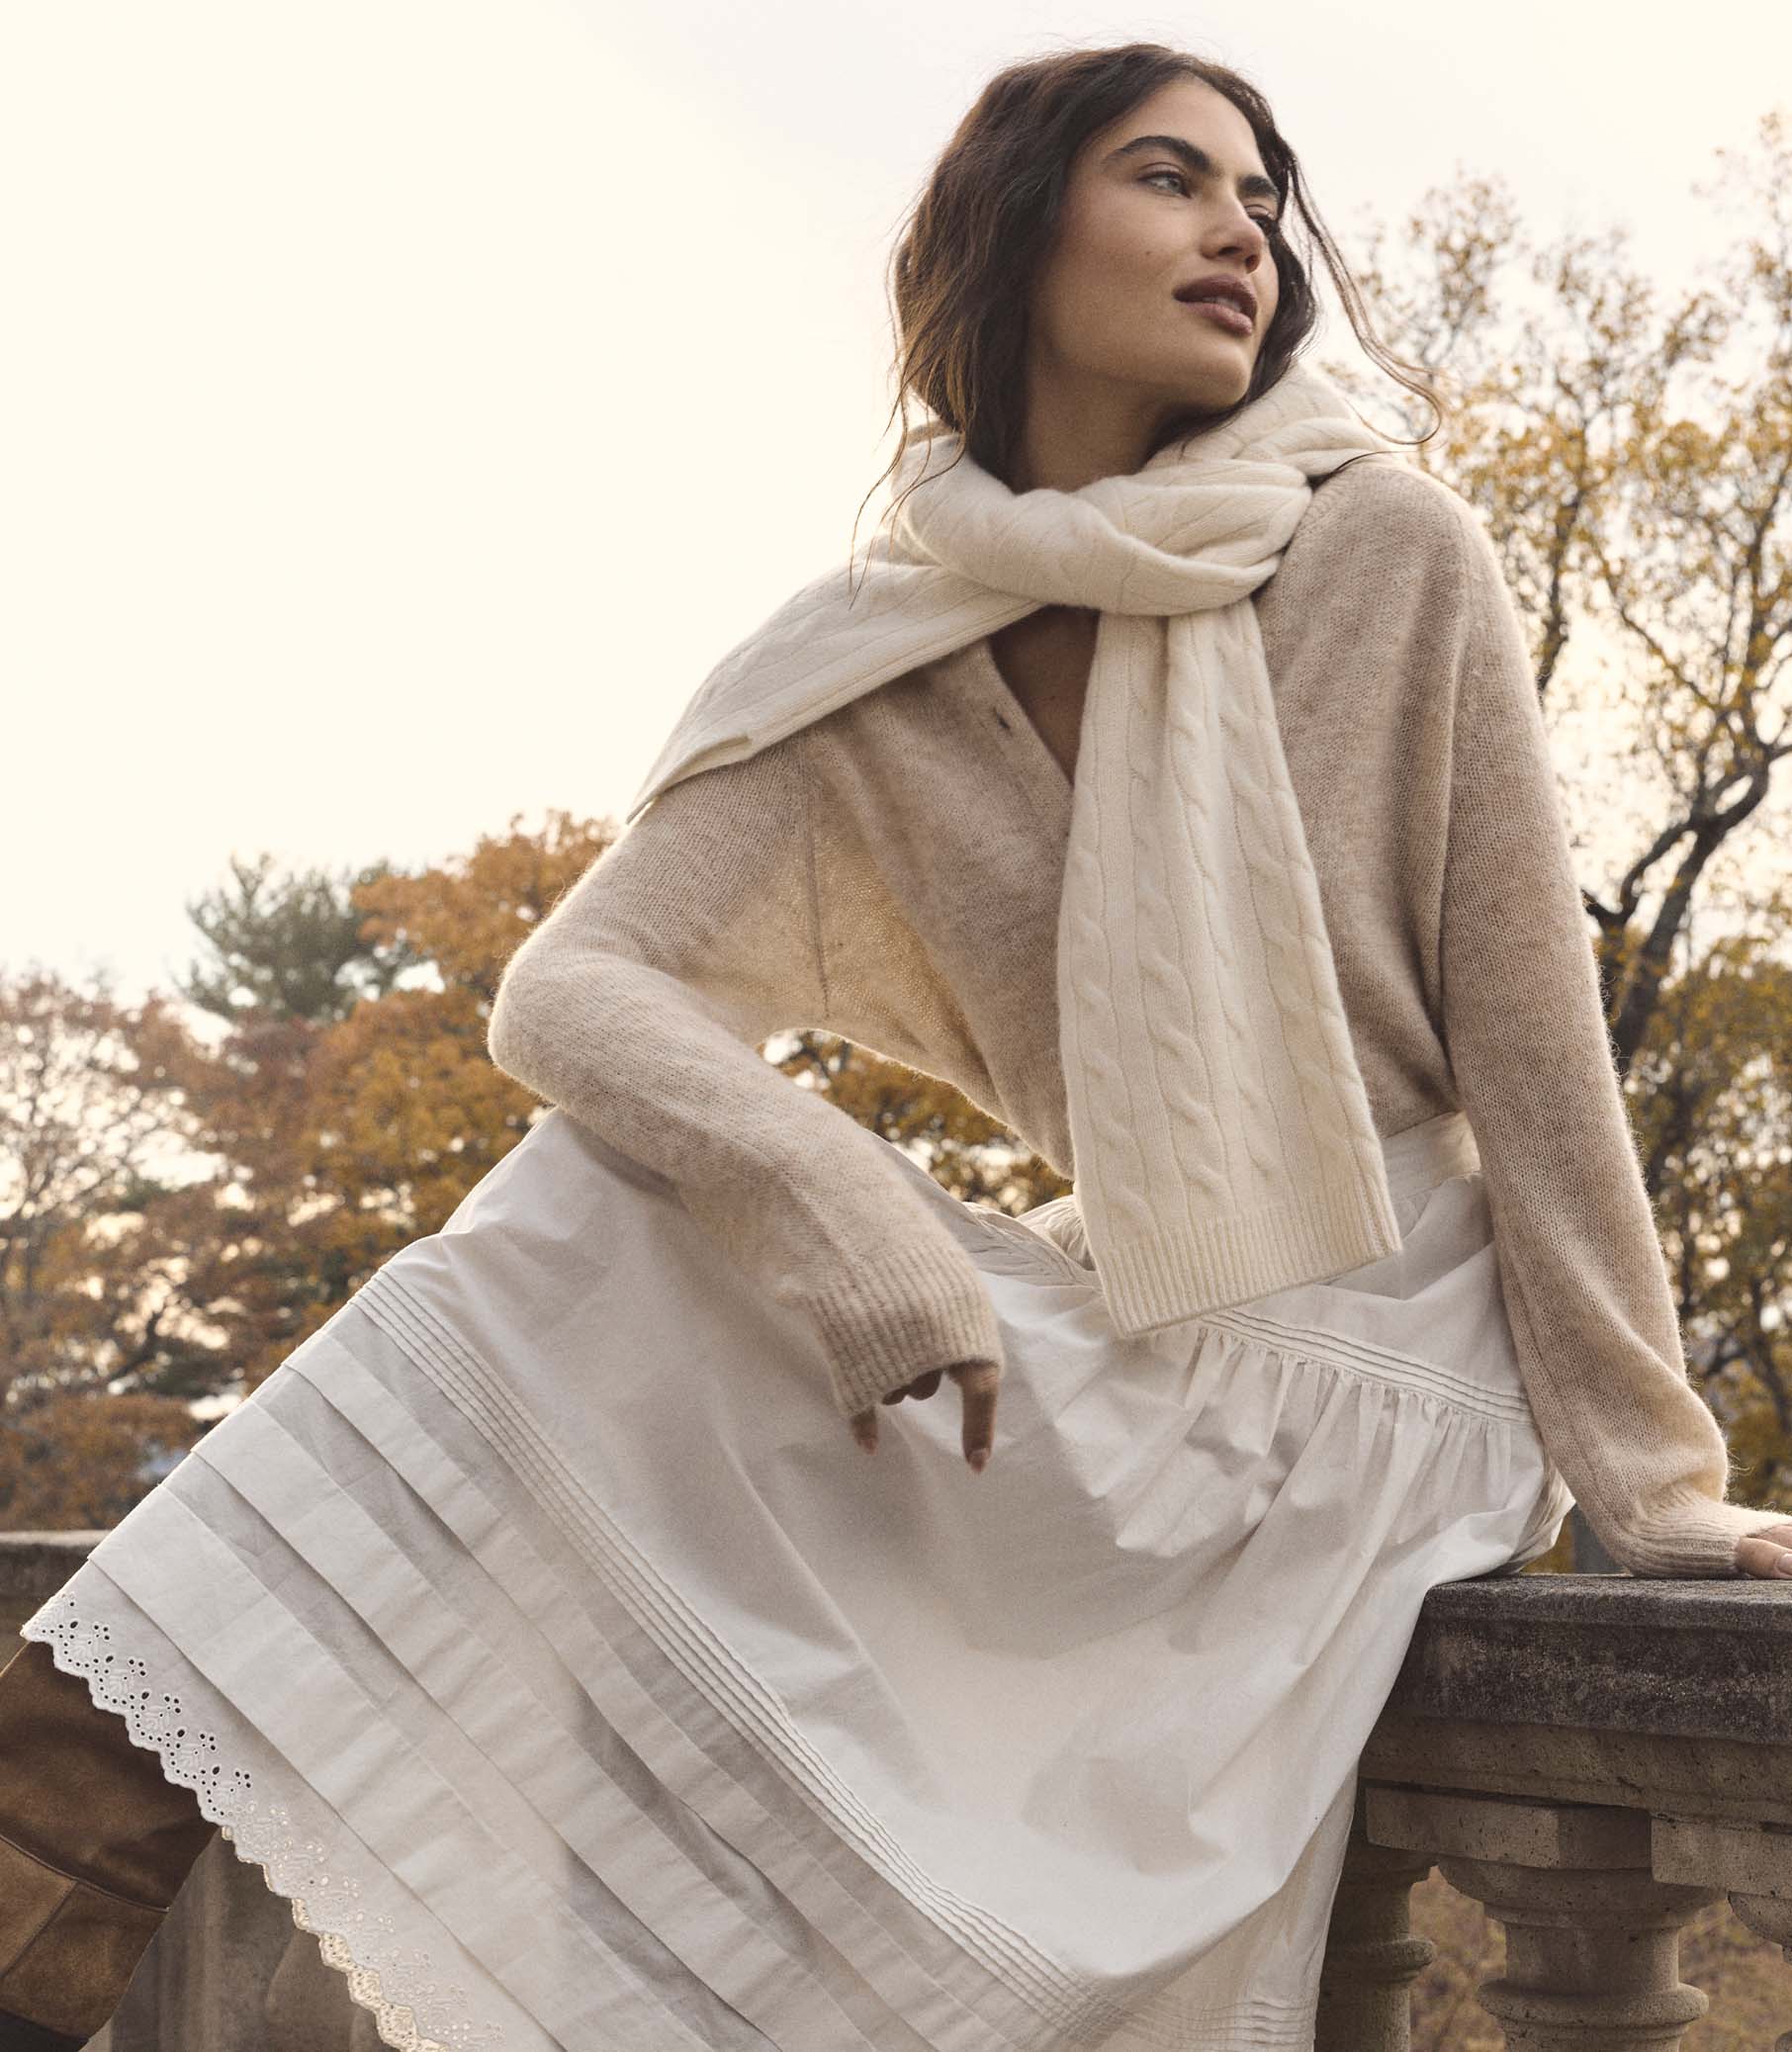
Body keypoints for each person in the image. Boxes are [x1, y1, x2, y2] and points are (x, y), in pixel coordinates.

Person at [6, 39, 1792, 2052]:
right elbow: (574, 997)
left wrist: (1650, 1479)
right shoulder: (879, 653)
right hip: (1128, 1353)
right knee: (589, 1199)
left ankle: (51, 1872)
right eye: (1171, 178)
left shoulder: (1388, 553)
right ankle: (54, 1858)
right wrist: (840, 1208)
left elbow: (1538, 1062)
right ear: (1022, 231)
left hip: (1370, 1383)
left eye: (1264, 192)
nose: (1245, 231)